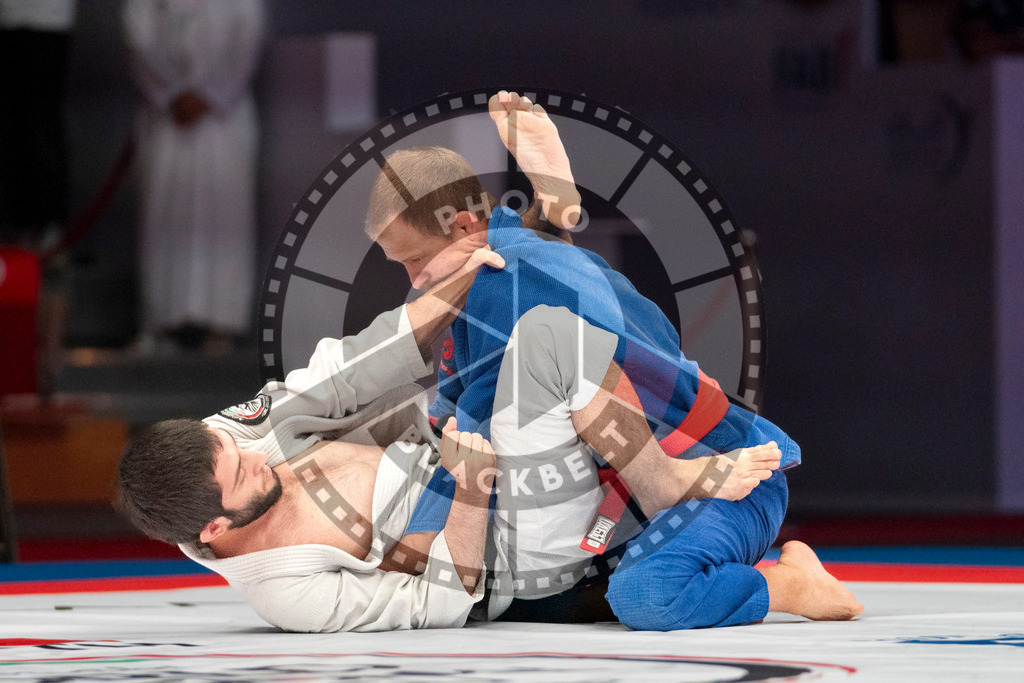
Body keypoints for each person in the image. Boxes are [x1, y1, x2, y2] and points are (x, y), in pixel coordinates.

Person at [366, 91, 863, 629]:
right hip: (625, 493)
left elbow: (475, 444)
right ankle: (550, 205)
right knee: (532, 597)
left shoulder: (499, 295)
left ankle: (790, 584)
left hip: (732, 476)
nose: (413, 283)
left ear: (463, 228)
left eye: (415, 261)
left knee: (645, 595)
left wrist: (414, 547)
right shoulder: (504, 275)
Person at [123, 0, 266, 351]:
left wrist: (210, 93)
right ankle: (159, 320)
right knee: (162, 214)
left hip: (224, 116)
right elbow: (137, 34)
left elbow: (247, 35)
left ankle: (222, 322)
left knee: (225, 218)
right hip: (166, 117)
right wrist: (172, 92)